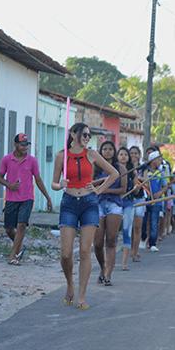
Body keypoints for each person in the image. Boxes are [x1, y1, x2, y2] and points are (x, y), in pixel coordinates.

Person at [51, 122, 119, 310]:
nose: (88, 138)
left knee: (84, 250)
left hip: (89, 203)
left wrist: (98, 190)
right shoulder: (61, 156)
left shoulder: (92, 154)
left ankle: (81, 295)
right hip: (69, 203)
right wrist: (61, 184)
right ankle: (70, 285)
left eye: (89, 135)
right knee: (65, 254)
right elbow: (53, 184)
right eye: (85, 134)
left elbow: (114, 174)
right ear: (73, 134)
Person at [0, 133, 52, 265]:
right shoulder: (6, 159)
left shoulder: (32, 161)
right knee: (9, 228)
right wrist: (9, 185)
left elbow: (38, 179)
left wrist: (47, 197)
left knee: (21, 225)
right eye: (22, 144)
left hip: (27, 198)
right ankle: (19, 247)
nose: (25, 147)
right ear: (15, 144)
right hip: (11, 198)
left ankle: (13, 255)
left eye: (26, 145)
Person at [93, 141, 127, 285]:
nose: (107, 151)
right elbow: (90, 184)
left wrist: (106, 189)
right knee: (98, 242)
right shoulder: (95, 167)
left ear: (114, 151)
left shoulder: (120, 168)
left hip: (114, 205)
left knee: (111, 240)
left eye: (110, 149)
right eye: (105, 149)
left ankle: (108, 274)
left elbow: (123, 189)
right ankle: (102, 267)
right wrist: (100, 186)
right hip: (98, 203)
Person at [118, 147, 138, 271]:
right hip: (115, 203)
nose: (124, 156)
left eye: (126, 154)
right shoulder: (113, 170)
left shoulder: (132, 171)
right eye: (121, 154)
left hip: (129, 203)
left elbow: (136, 189)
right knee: (112, 233)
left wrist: (137, 187)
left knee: (127, 231)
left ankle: (124, 263)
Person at [144, 151, 167, 252]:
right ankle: (144, 239)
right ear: (152, 160)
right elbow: (143, 183)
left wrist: (160, 193)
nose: (160, 161)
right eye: (158, 159)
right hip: (146, 200)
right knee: (144, 222)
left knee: (154, 222)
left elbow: (165, 186)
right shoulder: (145, 171)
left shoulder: (160, 173)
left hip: (156, 201)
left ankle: (153, 243)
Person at [128, 146, 147, 262]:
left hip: (139, 198)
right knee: (129, 226)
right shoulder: (126, 167)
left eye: (136, 153)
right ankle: (130, 249)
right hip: (129, 199)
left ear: (139, 155)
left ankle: (135, 252)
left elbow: (145, 180)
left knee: (137, 227)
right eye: (131, 153)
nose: (133, 155)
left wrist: (136, 175)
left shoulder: (143, 167)